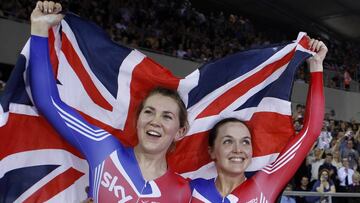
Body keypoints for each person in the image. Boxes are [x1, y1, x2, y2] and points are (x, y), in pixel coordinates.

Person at [29, 1, 191, 202]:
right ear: (137, 119)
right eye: (148, 111)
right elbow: (47, 101)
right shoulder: (104, 149)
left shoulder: (182, 192)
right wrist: (39, 28)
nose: (154, 121)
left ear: (180, 131)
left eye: (167, 116)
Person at [190, 37, 327, 202]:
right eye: (228, 141)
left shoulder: (266, 184)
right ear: (211, 151)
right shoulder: (190, 189)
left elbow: (311, 131)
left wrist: (316, 66)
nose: (238, 149)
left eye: (245, 142)